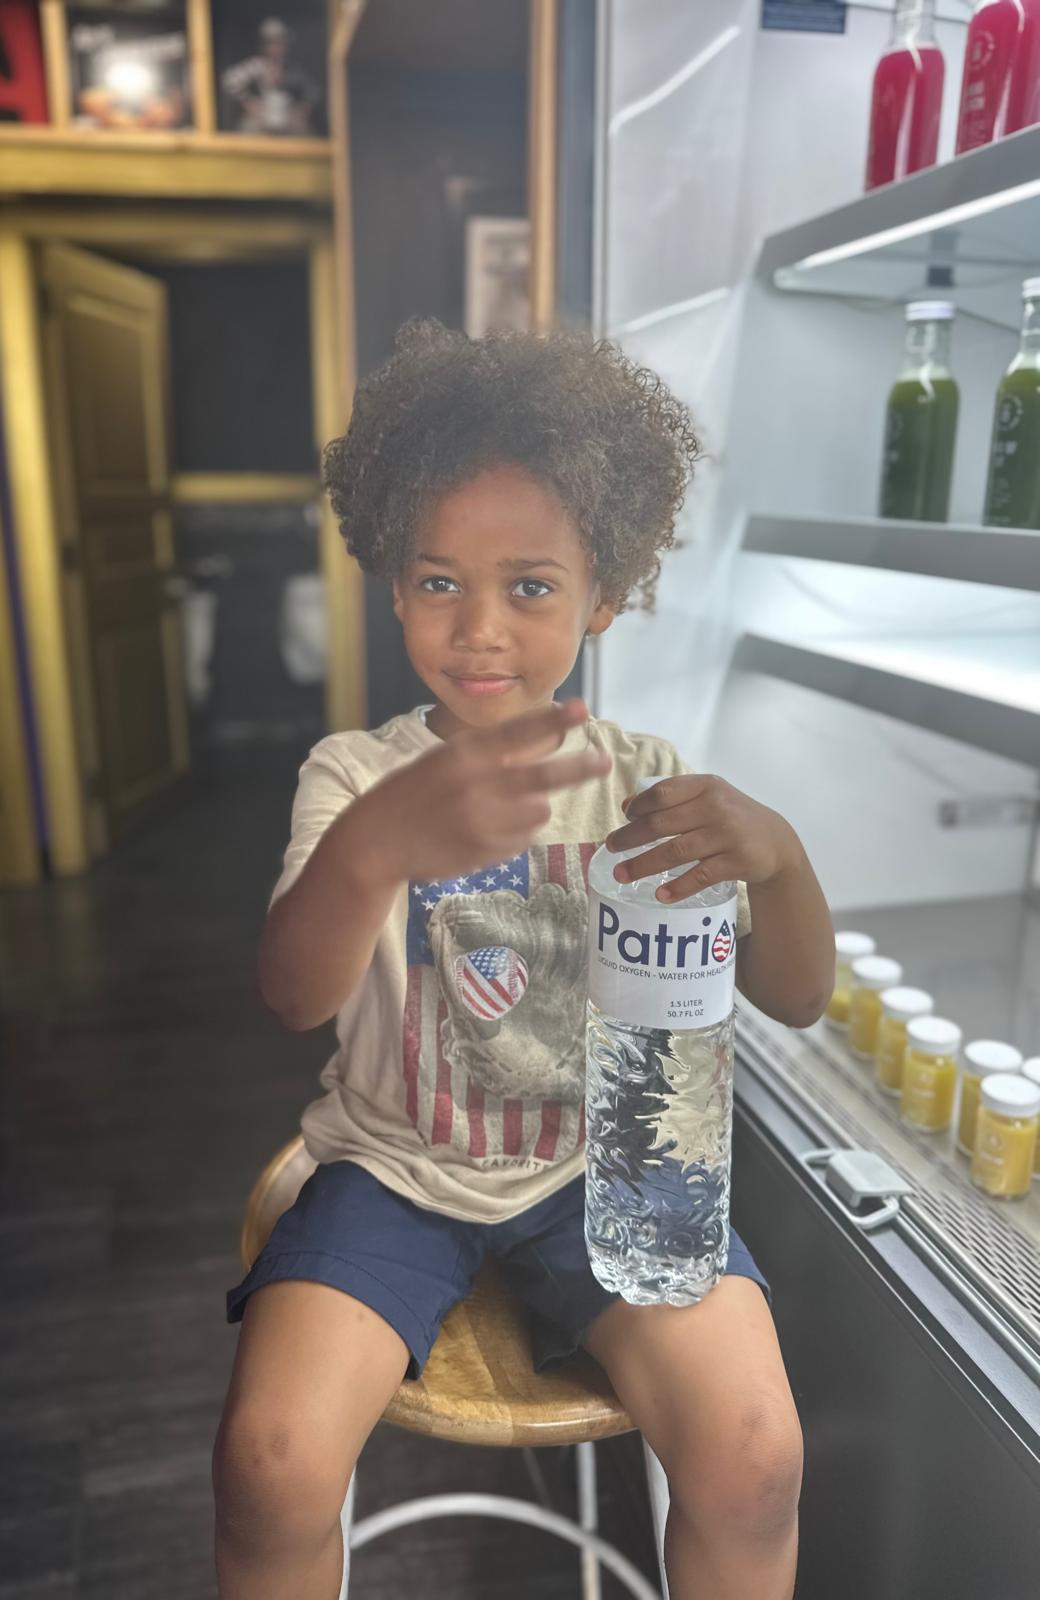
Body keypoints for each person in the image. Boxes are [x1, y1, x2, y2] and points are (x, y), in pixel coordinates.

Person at [213, 318, 835, 1600]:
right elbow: (291, 994)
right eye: (440, 581)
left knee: (756, 1453)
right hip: (393, 1165)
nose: (480, 629)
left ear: (604, 595)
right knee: (270, 1462)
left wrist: (779, 858)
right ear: (393, 586)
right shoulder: (355, 775)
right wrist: (378, 844)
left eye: (532, 587)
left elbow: (797, 993)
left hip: (607, 1171)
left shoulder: (645, 788)